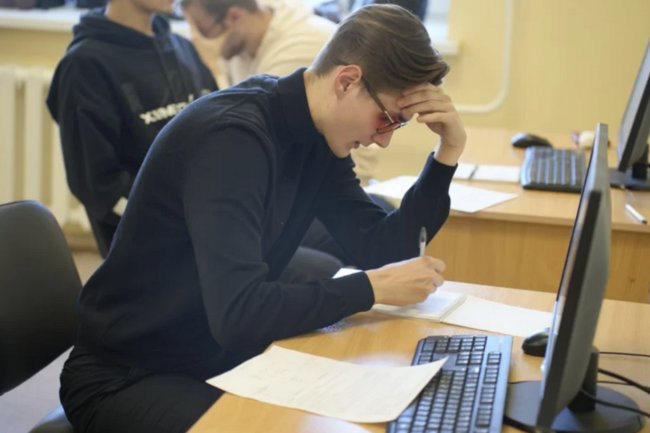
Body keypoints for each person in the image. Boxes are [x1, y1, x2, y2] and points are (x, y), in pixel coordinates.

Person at [59, 4, 466, 433]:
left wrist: (447, 154)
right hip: (127, 375)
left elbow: (384, 248)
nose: (382, 141)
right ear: (346, 81)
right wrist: (370, 287)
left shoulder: (316, 136)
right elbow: (239, 314)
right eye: (387, 120)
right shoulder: (233, 139)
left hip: (208, 355)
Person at [182, 0, 391, 264]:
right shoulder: (243, 46)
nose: (194, 39)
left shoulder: (294, 49)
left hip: (324, 169)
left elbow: (244, 127)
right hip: (295, 176)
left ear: (234, 17)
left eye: (201, 30)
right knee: (348, 252)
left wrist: (208, 64)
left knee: (375, 235)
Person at [46, 0, 218, 257]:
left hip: (208, 232)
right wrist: (181, 225)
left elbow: (217, 137)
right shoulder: (85, 65)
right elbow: (99, 186)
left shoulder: (183, 49)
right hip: (151, 252)